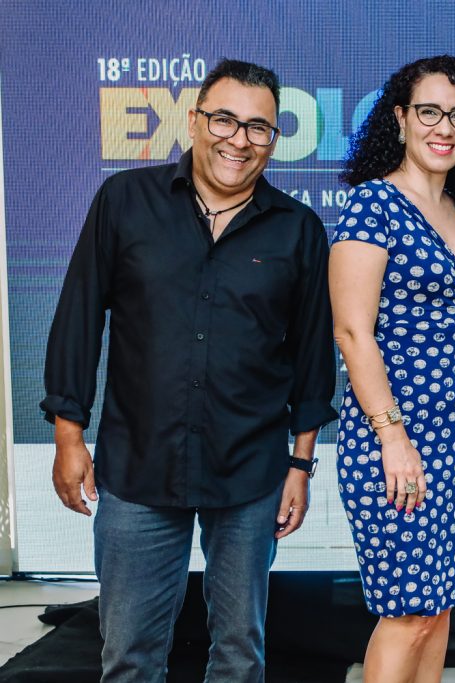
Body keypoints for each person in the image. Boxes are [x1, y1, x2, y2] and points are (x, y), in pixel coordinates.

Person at [42, 59, 336, 682]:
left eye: (258, 127)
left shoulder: (299, 230)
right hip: (138, 465)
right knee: (129, 655)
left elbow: (311, 357)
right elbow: (78, 318)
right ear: (195, 120)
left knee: (240, 654)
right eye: (224, 119)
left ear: (274, 139)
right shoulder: (125, 200)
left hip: (251, 471)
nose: (239, 140)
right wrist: (69, 435)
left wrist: (301, 465)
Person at [329, 55, 455, 683]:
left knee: (438, 607)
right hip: (395, 440)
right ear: (400, 119)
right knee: (407, 613)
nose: (444, 127)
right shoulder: (372, 205)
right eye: (429, 112)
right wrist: (392, 436)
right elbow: (352, 332)